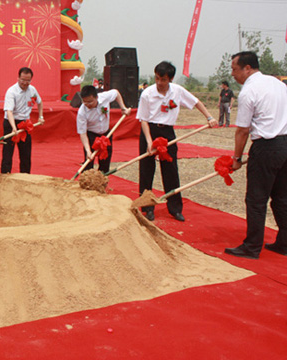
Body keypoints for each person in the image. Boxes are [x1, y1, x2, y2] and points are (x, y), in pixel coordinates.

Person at [136, 61, 217, 222]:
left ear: (171, 79)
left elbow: (196, 102)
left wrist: (209, 117)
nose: (159, 82)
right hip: (150, 131)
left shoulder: (177, 91)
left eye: (163, 79)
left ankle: (175, 208)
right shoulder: (147, 93)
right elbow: (143, 119)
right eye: (157, 78)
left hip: (167, 132)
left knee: (171, 170)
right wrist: (149, 142)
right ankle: (147, 208)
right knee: (146, 170)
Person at [225, 51, 287, 259]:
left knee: (256, 200)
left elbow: (242, 130)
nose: (233, 74)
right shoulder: (278, 84)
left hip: (266, 146)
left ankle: (251, 247)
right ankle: (284, 243)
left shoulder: (249, 91)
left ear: (247, 68)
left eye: (235, 69)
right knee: (281, 197)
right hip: (285, 144)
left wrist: (236, 159)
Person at [76, 85, 131, 173]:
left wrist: (123, 108)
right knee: (88, 163)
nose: (87, 105)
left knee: (105, 161)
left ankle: (102, 178)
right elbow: (82, 133)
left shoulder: (104, 97)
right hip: (91, 136)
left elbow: (116, 93)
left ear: (96, 97)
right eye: (84, 102)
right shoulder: (82, 112)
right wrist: (88, 150)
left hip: (106, 134)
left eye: (90, 102)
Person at [1, 67, 44, 174]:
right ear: (18, 78)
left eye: (28, 80)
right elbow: (9, 111)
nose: (25, 83)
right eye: (23, 80)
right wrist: (13, 127)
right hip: (11, 123)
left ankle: (25, 175)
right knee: (8, 151)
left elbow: (39, 102)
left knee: (26, 153)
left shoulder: (32, 90)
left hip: (25, 124)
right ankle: (5, 175)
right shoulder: (12, 91)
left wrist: (41, 116)